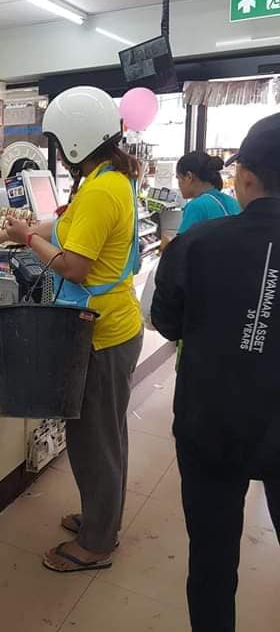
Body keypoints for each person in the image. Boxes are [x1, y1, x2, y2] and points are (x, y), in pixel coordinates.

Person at [0, 86, 143, 572]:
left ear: (74, 139)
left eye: (55, 141)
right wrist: (6, 235)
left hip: (101, 333)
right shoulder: (109, 178)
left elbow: (73, 267)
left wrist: (26, 238)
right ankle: (101, 519)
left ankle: (97, 543)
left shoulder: (100, 191)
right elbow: (64, 228)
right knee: (105, 434)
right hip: (112, 326)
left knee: (95, 440)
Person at [151, 113, 280, 632]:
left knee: (211, 558)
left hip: (211, 422)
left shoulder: (197, 243)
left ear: (244, 176)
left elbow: (166, 322)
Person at [176, 151, 240, 234]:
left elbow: (183, 241)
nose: (178, 185)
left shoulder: (196, 206)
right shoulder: (233, 202)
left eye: (178, 178)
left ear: (189, 177)